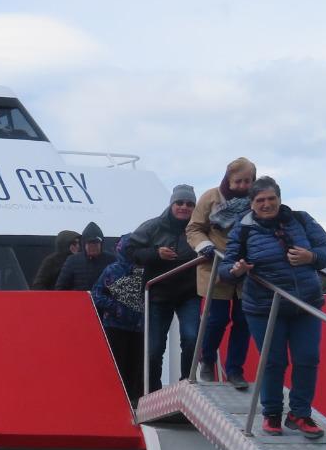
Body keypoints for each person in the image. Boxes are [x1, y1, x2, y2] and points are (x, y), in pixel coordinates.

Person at [218, 176, 326, 439]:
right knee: (273, 361)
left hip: (305, 304)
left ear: (280, 199)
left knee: (308, 359)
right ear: (252, 203)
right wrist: (236, 269)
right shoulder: (243, 229)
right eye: (260, 200)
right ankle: (272, 414)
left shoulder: (302, 220)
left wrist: (311, 257)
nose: (267, 204)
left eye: (271, 199)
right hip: (264, 307)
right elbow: (225, 269)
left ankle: (300, 414)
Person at [187, 157, 255, 389]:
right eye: (238, 181)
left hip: (246, 269)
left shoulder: (256, 200)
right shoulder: (211, 197)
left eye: (248, 181)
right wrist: (204, 246)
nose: (243, 186)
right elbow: (194, 228)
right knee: (216, 319)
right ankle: (207, 358)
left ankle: (235, 370)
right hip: (214, 265)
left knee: (242, 320)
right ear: (228, 179)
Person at [130, 185, 200, 392]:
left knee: (191, 339)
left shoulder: (199, 229)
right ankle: (153, 392)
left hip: (190, 293)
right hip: (158, 293)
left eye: (189, 204)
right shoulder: (152, 227)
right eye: (180, 203)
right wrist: (155, 254)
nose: (184, 207)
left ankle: (187, 385)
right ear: (172, 204)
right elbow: (129, 250)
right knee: (154, 349)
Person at [92, 237, 146, 402]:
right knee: (117, 365)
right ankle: (115, 399)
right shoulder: (112, 270)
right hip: (115, 325)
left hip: (139, 326)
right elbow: (96, 293)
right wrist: (114, 307)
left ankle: (134, 399)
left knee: (136, 366)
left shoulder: (145, 270)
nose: (131, 252)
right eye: (129, 248)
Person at [55, 222, 109, 291]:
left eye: (95, 243)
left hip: (104, 301)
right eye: (89, 243)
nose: (92, 246)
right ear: (84, 244)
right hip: (77, 301)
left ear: (101, 244)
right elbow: (60, 288)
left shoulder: (112, 261)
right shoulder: (72, 261)